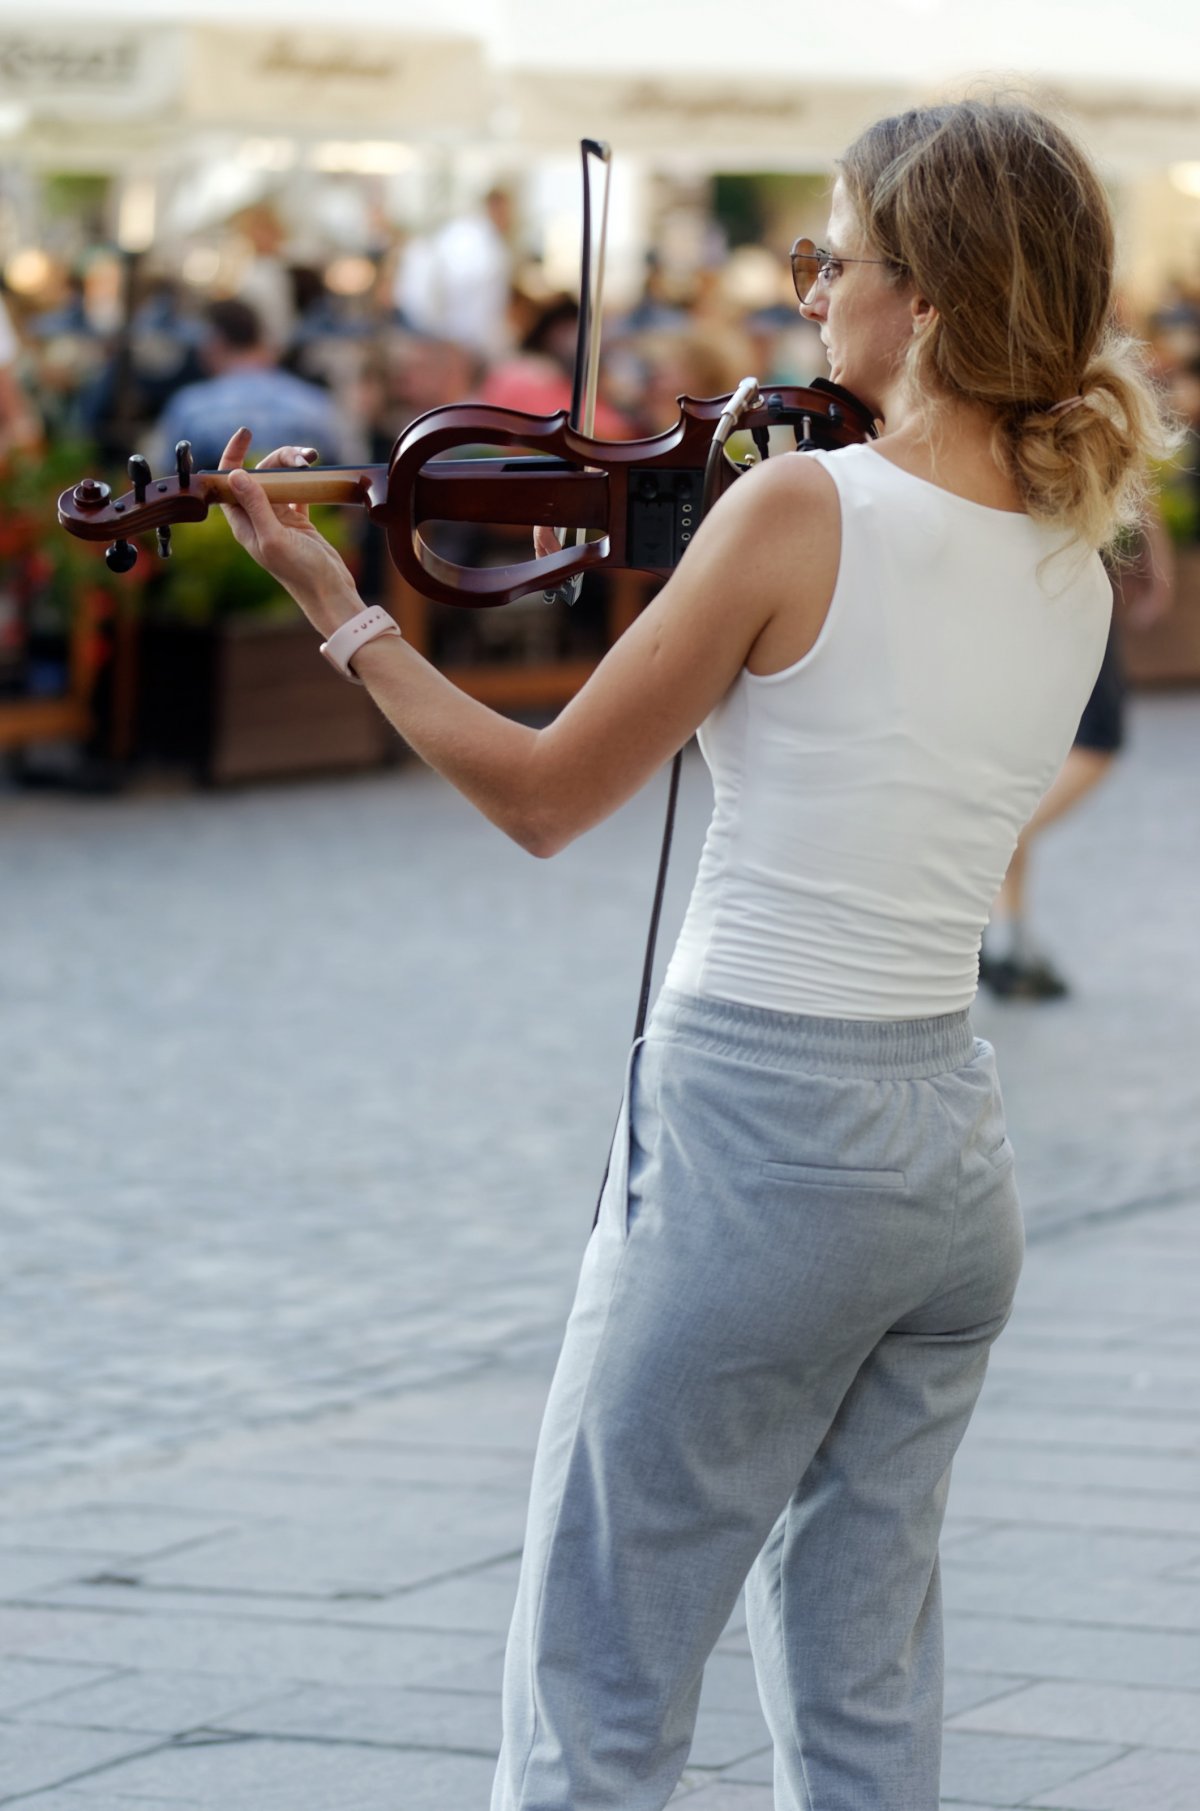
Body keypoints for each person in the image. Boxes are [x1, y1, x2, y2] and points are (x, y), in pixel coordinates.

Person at [214, 97, 1167, 1811]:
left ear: (926, 301)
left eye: (834, 260)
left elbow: (538, 794)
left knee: (597, 1694)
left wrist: (341, 610)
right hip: (950, 1159)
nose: (809, 295)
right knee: (867, 1708)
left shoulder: (801, 505)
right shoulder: (1070, 555)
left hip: (761, 1138)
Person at [979, 509, 1173, 999]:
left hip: (1019, 570)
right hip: (1061, 564)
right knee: (1093, 743)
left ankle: (1010, 938)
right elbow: (1130, 475)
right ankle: (999, 889)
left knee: (1017, 765)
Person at [153, 299, 349, 474]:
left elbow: (166, 476)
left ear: (215, 342)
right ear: (262, 339)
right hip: (301, 513)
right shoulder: (315, 403)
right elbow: (347, 472)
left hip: (216, 514)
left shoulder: (190, 407)